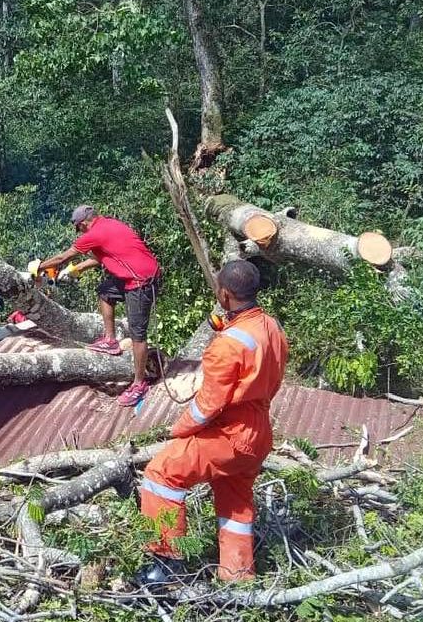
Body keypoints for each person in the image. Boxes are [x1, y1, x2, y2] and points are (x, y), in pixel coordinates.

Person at [135, 260, 287, 585]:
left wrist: (178, 430)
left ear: (224, 293)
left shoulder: (229, 343)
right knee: (235, 502)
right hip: (259, 433)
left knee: (161, 473)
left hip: (231, 434)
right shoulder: (271, 327)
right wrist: (227, 327)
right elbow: (255, 363)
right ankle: (238, 576)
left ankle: (165, 569)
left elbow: (208, 406)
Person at [35, 205, 161, 406]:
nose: (81, 232)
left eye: (80, 228)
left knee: (138, 335)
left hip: (140, 282)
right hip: (137, 276)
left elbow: (62, 258)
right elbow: (100, 257)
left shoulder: (95, 233)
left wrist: (38, 267)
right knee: (105, 291)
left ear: (83, 223)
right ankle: (110, 340)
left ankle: (139, 383)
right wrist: (77, 269)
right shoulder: (110, 224)